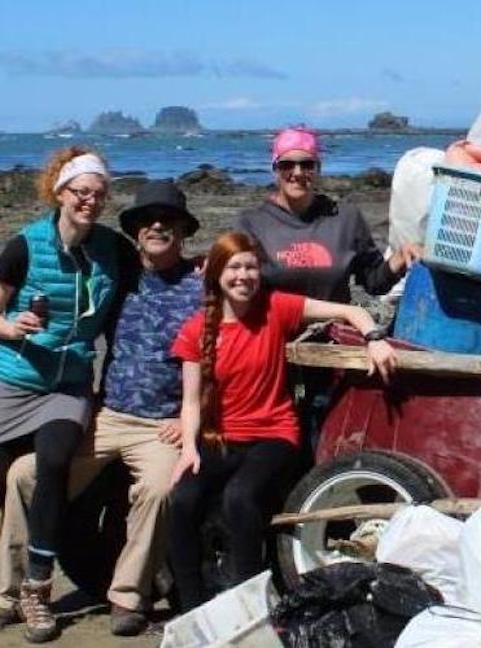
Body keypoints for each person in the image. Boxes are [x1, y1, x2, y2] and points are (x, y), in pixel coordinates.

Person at [0, 180, 203, 638]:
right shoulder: (119, 276)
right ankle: (11, 595)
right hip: (107, 415)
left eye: (168, 221)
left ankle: (127, 596)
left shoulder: (202, 287)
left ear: (183, 232)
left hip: (161, 426)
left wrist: (187, 418)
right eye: (147, 221)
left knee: (158, 489)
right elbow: (70, 282)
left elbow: (221, 359)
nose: (157, 227)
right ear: (134, 232)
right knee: (24, 476)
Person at [168, 231, 398, 611]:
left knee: (239, 497)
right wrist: (188, 450)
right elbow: (190, 403)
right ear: (216, 276)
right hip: (222, 437)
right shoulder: (197, 330)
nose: (243, 276)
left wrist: (374, 337)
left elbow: (348, 310)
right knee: (182, 501)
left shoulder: (276, 308)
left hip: (274, 435)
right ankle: (191, 609)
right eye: (234, 267)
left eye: (251, 267)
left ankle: (252, 605)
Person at [0, 147, 129, 642]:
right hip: (14, 379)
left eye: (99, 194)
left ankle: (37, 588)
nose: (90, 202)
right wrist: (11, 330)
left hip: (69, 384)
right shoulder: (24, 246)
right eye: (81, 192)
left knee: (54, 460)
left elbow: (156, 274)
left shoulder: (112, 250)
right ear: (60, 192)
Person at [236, 126, 419, 303]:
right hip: (275, 331)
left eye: (307, 164)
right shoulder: (252, 223)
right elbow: (238, 286)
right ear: (275, 169)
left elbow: (373, 282)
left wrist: (399, 258)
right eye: (287, 165)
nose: (298, 172)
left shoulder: (346, 218)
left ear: (318, 168)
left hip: (332, 330)